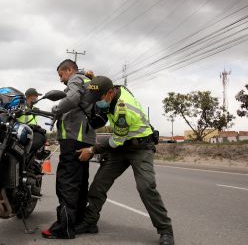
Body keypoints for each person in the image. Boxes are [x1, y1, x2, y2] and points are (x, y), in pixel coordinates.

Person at [75, 76, 174, 245]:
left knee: (146, 187)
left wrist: (92, 150)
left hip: (140, 147)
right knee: (99, 184)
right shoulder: (113, 90)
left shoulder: (123, 109)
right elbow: (101, 84)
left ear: (110, 93)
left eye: (98, 98)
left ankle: (166, 231)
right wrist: (91, 79)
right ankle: (89, 222)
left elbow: (115, 142)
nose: (96, 102)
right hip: (122, 146)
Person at [41, 59, 96, 239]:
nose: (60, 79)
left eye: (61, 74)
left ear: (70, 70)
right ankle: (79, 222)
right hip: (86, 140)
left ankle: (63, 228)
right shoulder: (88, 83)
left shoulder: (75, 79)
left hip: (73, 139)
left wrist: (55, 109)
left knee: (67, 183)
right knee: (80, 183)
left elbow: (72, 98)